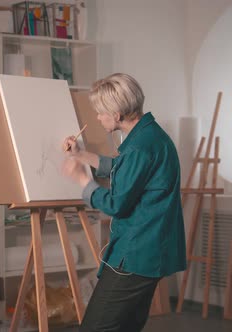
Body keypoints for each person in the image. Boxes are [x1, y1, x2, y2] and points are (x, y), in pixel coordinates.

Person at [61, 73, 186, 332]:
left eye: (100, 112)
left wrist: (84, 182)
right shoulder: (150, 136)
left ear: (116, 114)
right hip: (150, 252)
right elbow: (122, 167)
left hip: (135, 254)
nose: (97, 117)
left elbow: (117, 204)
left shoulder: (140, 147)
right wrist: (82, 155)